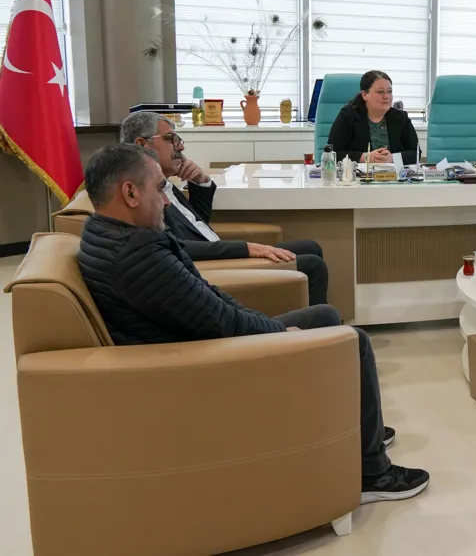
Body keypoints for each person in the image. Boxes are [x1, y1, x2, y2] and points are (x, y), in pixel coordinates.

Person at [76, 144, 429, 503]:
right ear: (130, 193)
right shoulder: (138, 256)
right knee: (354, 340)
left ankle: (357, 428)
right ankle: (372, 473)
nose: (167, 201)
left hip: (204, 344)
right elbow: (218, 320)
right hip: (205, 366)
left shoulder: (105, 233)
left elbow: (207, 297)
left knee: (323, 316)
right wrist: (276, 333)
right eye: (159, 189)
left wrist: (264, 324)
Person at [120, 112, 330, 306]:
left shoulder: (165, 184)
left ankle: (318, 324)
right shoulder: (144, 196)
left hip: (216, 252)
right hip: (212, 265)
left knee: (310, 246)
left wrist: (200, 182)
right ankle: (318, 329)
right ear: (142, 145)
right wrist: (247, 248)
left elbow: (196, 225)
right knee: (312, 265)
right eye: (171, 139)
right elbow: (176, 246)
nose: (180, 147)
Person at [327, 70, 420, 165]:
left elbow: (416, 153)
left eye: (389, 91)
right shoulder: (347, 116)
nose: (386, 96)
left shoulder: (401, 118)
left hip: (392, 173)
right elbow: (332, 153)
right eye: (380, 92)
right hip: (360, 173)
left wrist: (393, 158)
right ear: (364, 95)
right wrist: (364, 157)